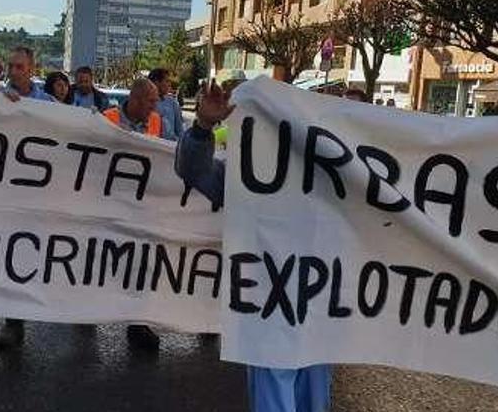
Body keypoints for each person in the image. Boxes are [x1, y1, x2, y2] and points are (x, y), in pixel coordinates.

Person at [175, 81, 332, 412]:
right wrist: (203, 126)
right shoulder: (247, 177)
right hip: (268, 305)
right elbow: (193, 170)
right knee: (275, 391)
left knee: (314, 398)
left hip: (319, 307)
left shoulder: (331, 177)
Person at [0, 46, 57, 352]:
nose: (14, 71)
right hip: (8, 192)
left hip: (40, 194)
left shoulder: (49, 104)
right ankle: (13, 322)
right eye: (11, 66)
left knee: (38, 252)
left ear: (32, 69)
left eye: (20, 66)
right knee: (10, 254)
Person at [101, 78, 169, 352]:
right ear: (137, 99)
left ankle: (137, 323)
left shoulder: (156, 122)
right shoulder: (107, 119)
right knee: (100, 258)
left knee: (141, 264)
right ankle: (84, 308)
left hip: (142, 206)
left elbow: (169, 153)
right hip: (109, 203)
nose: (156, 106)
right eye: (152, 101)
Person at [148, 68, 184, 141]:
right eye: (167, 81)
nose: (169, 84)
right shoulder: (145, 103)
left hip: (170, 147)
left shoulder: (173, 103)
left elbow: (180, 130)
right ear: (156, 82)